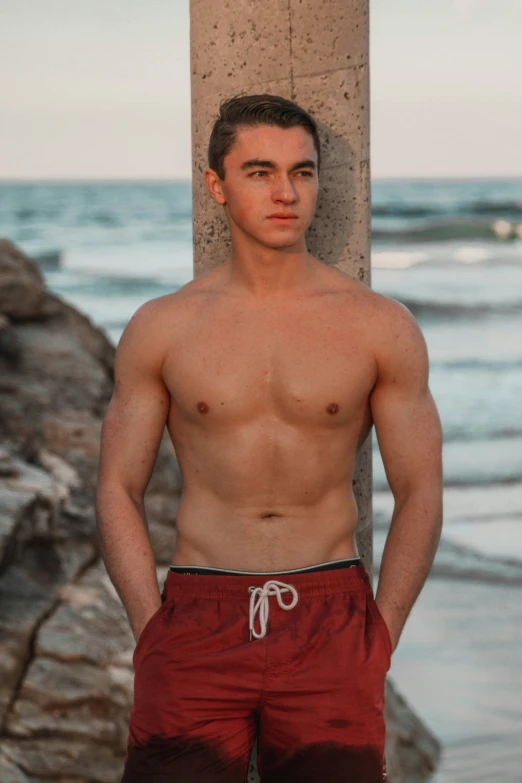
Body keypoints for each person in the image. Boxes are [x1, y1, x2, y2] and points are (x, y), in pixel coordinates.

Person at [96, 94, 443, 783]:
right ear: (217, 186)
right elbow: (116, 484)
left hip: (331, 618)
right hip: (197, 617)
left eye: (303, 172)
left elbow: (421, 489)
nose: (286, 192)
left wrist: (382, 634)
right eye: (260, 172)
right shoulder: (163, 326)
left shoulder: (378, 325)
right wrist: (151, 630)